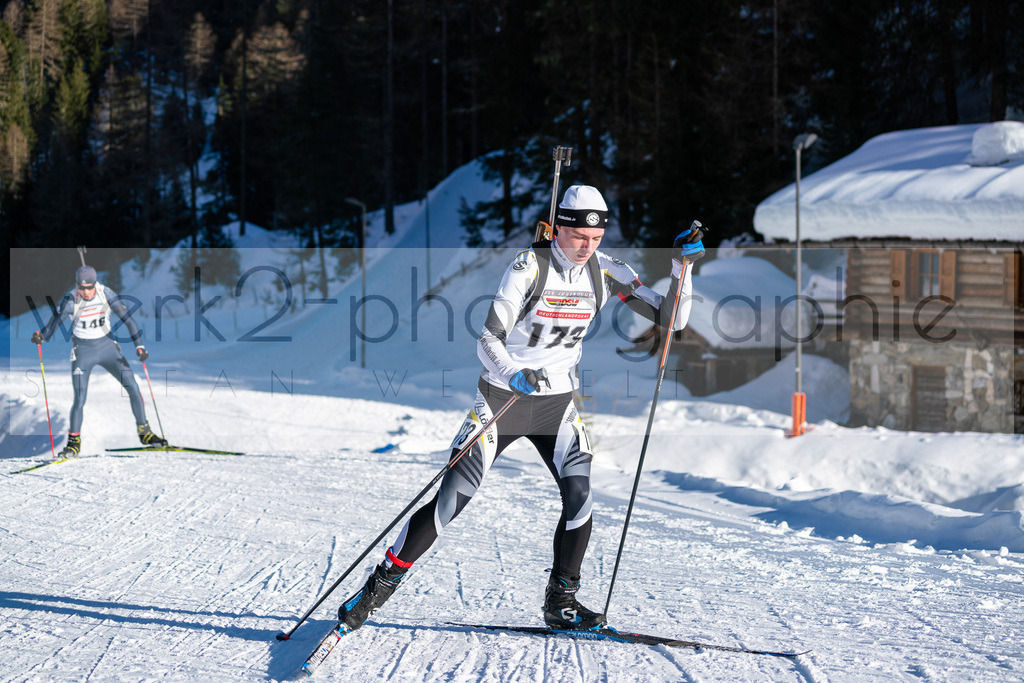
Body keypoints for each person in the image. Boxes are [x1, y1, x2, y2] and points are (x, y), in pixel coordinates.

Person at [337, 185, 705, 633]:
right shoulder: (529, 267)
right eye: (577, 238)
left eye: (595, 239)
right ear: (560, 230)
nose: (585, 248)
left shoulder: (606, 271)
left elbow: (673, 320)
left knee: (581, 498)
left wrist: (680, 267)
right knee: (452, 499)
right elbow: (488, 337)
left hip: (557, 408)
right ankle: (377, 588)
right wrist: (513, 372)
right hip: (502, 401)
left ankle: (562, 601)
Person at [31, 265, 167, 456]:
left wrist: (139, 346)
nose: (85, 292)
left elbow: (129, 320)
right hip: (83, 352)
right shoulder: (70, 300)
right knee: (79, 398)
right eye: (81, 287)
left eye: (89, 287)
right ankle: (73, 443)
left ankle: (144, 432)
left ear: (95, 284)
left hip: (108, 348)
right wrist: (41, 337)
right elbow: (52, 326)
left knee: (133, 387)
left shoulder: (106, 294)